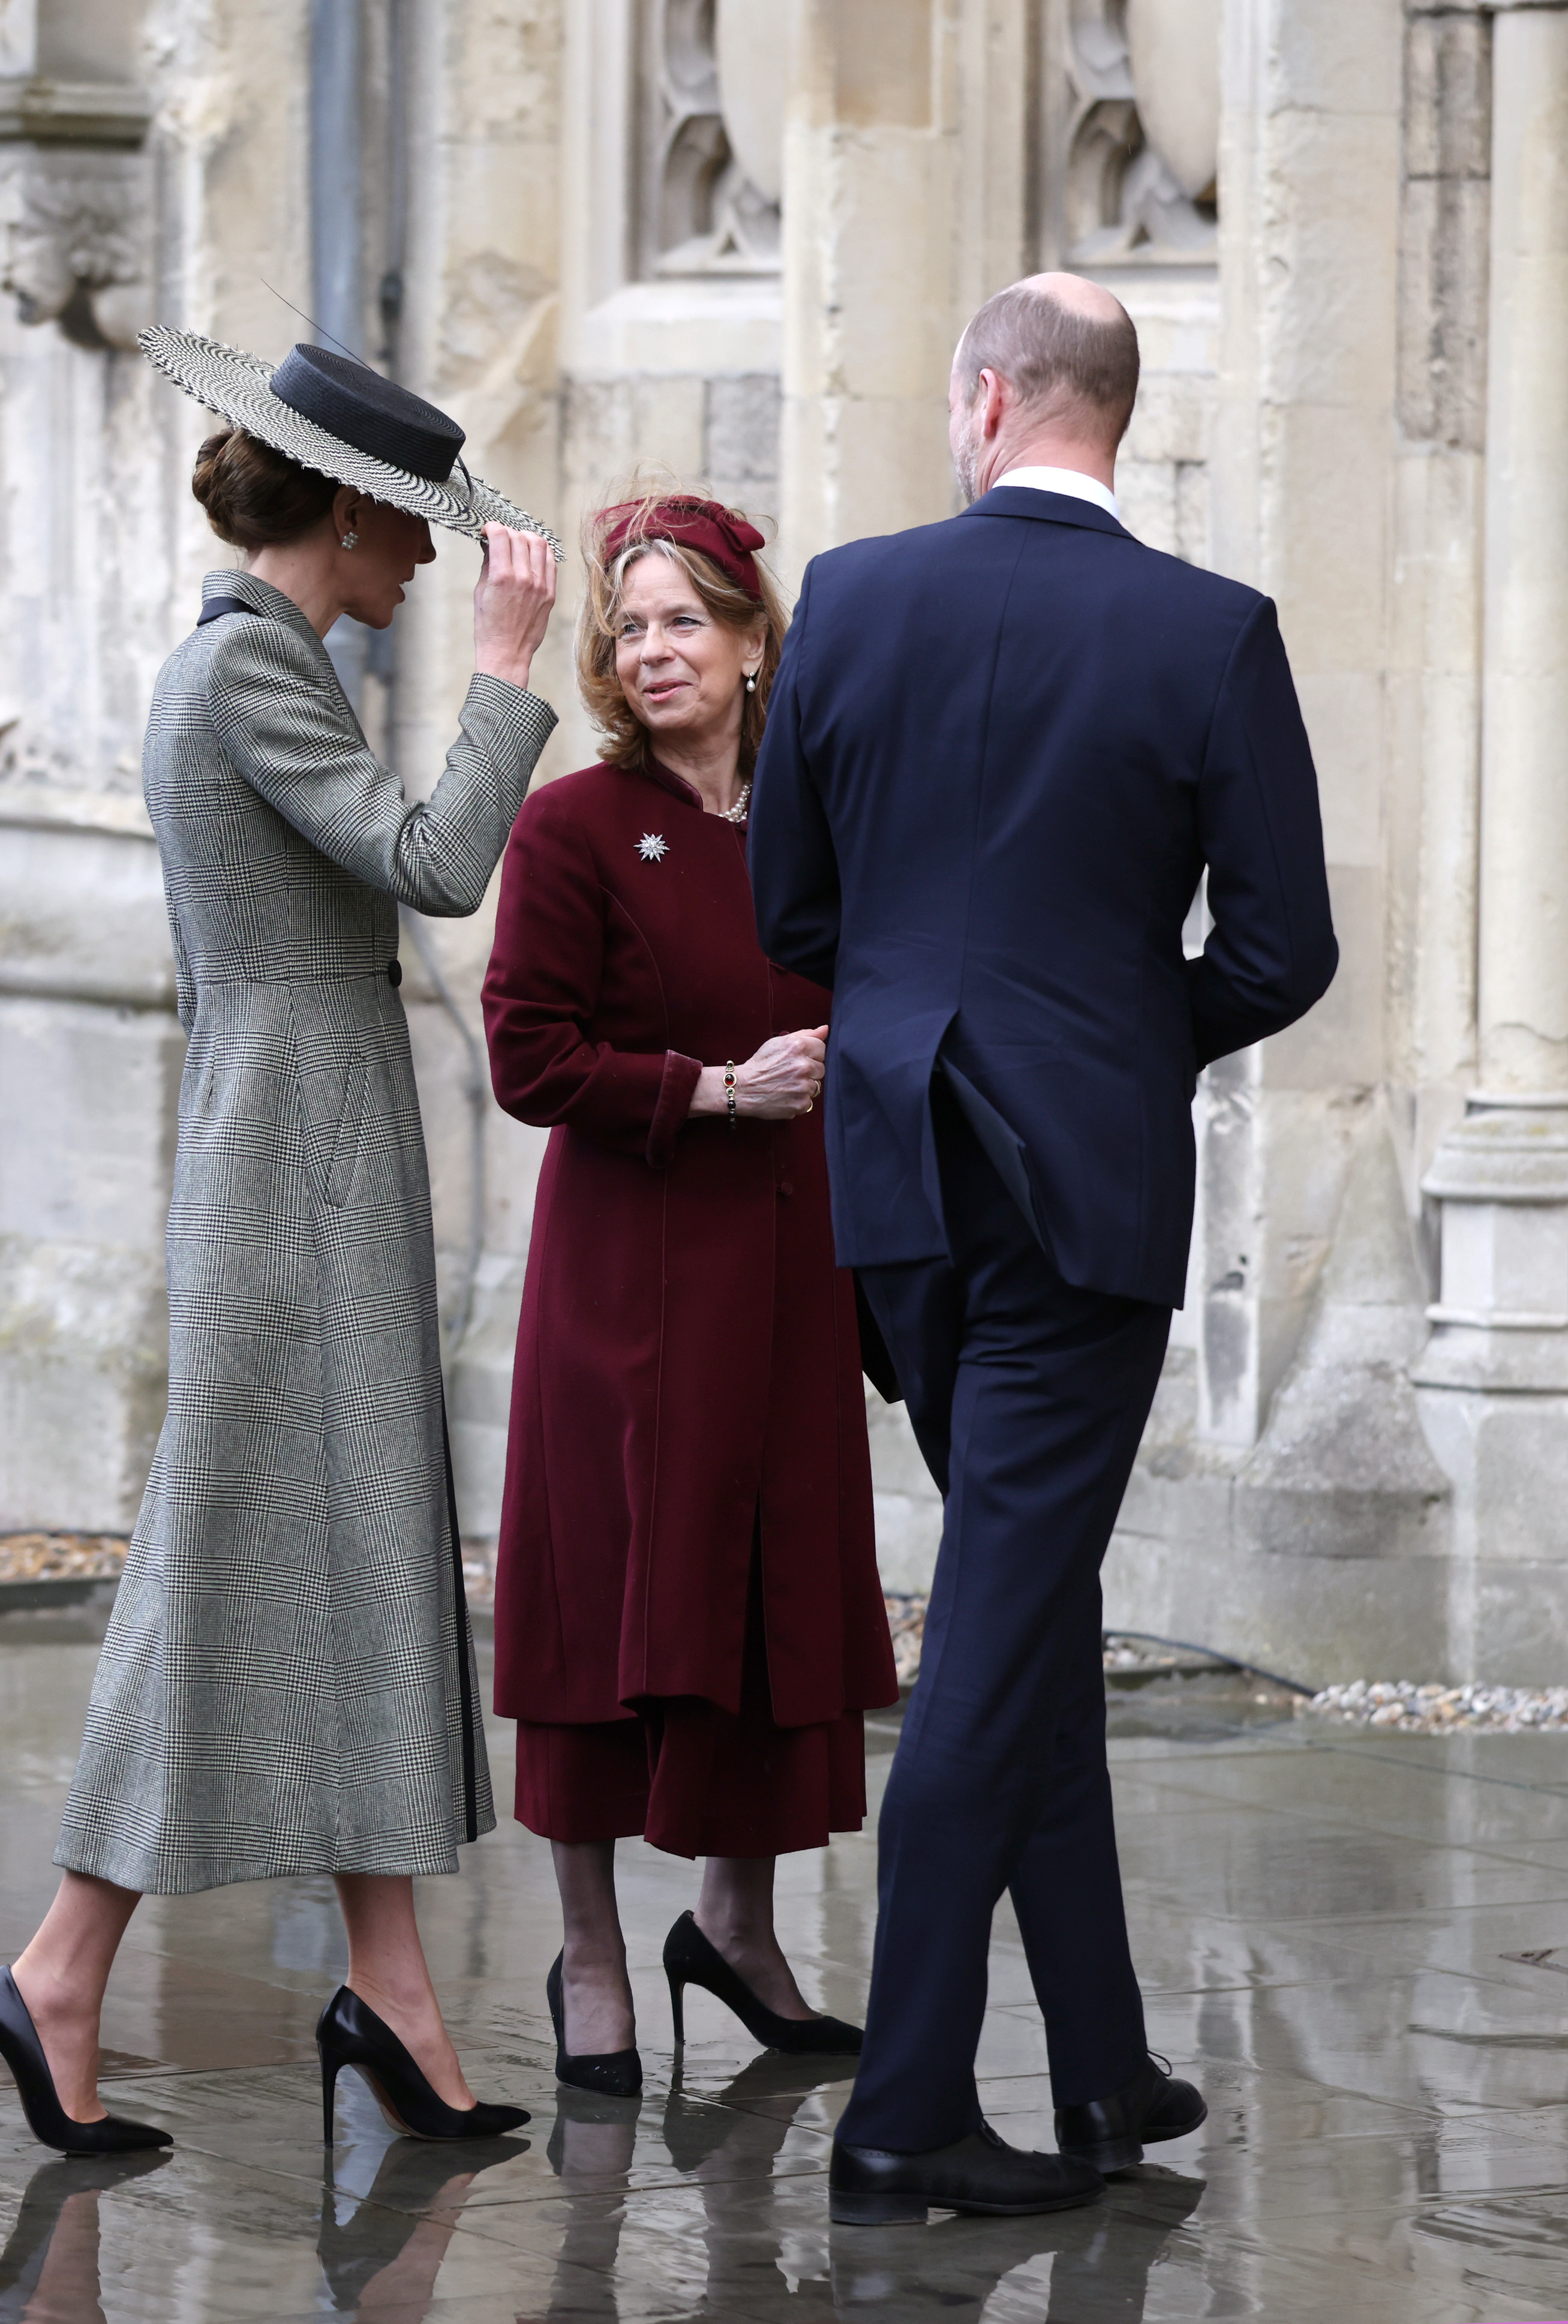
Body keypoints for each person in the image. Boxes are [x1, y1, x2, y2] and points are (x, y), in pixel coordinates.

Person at [750, 274, 1338, 2223]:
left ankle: (1101, 2063)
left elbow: (794, 901)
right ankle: (908, 2104)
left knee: (1029, 1592)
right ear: (1117, 413)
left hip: (902, 1174)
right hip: (1080, 1183)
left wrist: (939, 1009)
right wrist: (1105, 1027)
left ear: (987, 398)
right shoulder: (1209, 631)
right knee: (1001, 1619)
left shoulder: (849, 596)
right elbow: (1282, 951)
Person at [0, 329, 560, 2156]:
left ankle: (396, 1992)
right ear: (354, 516)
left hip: (308, 1145)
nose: (437, 567)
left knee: (363, 1551)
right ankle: (60, 1968)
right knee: (221, 1561)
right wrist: (512, 679)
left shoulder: (265, 660)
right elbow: (442, 862)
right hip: (292, 1162)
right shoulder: (247, 677)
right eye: (417, 532)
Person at [480, 487, 898, 2095]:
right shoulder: (573, 827)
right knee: (609, 1608)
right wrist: (714, 1090)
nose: (654, 650)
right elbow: (529, 1052)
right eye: (630, 625)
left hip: (791, 1273)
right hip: (631, 1287)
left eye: (683, 621)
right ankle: (590, 1947)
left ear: (747, 642)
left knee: (772, 1597)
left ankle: (738, 1930)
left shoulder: (813, 817)